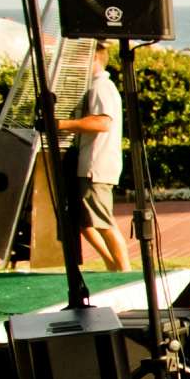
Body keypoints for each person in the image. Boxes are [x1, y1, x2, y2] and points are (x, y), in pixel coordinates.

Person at [56, 45, 126, 271]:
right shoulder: (94, 87)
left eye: (78, 58)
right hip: (88, 164)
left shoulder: (101, 87)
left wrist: (61, 125)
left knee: (104, 222)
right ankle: (112, 265)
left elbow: (102, 122)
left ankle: (124, 272)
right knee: (83, 222)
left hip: (97, 165)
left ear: (94, 59)